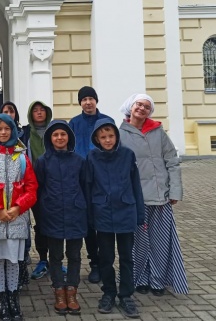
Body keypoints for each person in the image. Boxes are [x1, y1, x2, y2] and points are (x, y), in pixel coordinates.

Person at [118, 94, 189, 297]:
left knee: (160, 242)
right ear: (131, 106)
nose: (142, 108)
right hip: (136, 199)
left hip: (160, 197)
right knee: (137, 243)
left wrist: (175, 190)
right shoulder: (120, 133)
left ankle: (158, 280)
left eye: (146, 107)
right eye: (139, 104)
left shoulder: (158, 132)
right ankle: (139, 278)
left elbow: (172, 161)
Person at [0, 114, 38, 321]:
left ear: (13, 130)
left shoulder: (21, 156)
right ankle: (2, 299)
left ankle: (13, 297)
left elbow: (31, 187)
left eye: (7, 128)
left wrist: (19, 207)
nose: (3, 132)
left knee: (13, 261)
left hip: (17, 219)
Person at [87, 118, 145, 318]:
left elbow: (136, 185)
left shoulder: (128, 155)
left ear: (117, 136)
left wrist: (140, 214)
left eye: (111, 136)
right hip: (102, 213)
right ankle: (109, 293)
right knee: (106, 258)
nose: (108, 140)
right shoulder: (92, 157)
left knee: (127, 257)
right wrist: (89, 216)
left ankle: (126, 295)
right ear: (97, 138)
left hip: (125, 212)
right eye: (103, 137)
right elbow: (88, 187)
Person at [34, 120, 88, 315]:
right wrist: (42, 213)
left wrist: (84, 209)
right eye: (55, 135)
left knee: (74, 255)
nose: (59, 138)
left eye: (63, 135)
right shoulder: (42, 161)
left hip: (75, 214)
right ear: (50, 138)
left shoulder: (79, 161)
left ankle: (72, 291)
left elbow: (85, 186)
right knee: (55, 256)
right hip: (52, 214)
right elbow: (38, 189)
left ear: (69, 137)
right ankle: (59, 290)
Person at [68, 86, 112, 284]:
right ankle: (94, 263)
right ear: (80, 103)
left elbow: (114, 147)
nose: (87, 102)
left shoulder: (107, 122)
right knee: (88, 224)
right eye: (84, 99)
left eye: (90, 99)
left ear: (96, 101)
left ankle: (106, 263)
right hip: (82, 180)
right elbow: (70, 149)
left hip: (103, 179)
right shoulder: (74, 123)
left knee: (103, 222)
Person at [21, 100, 52, 280]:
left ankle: (55, 259)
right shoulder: (25, 133)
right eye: (35, 110)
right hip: (32, 185)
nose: (39, 113)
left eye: (42, 110)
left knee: (53, 223)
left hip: (53, 184)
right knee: (39, 223)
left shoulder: (54, 130)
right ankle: (42, 259)